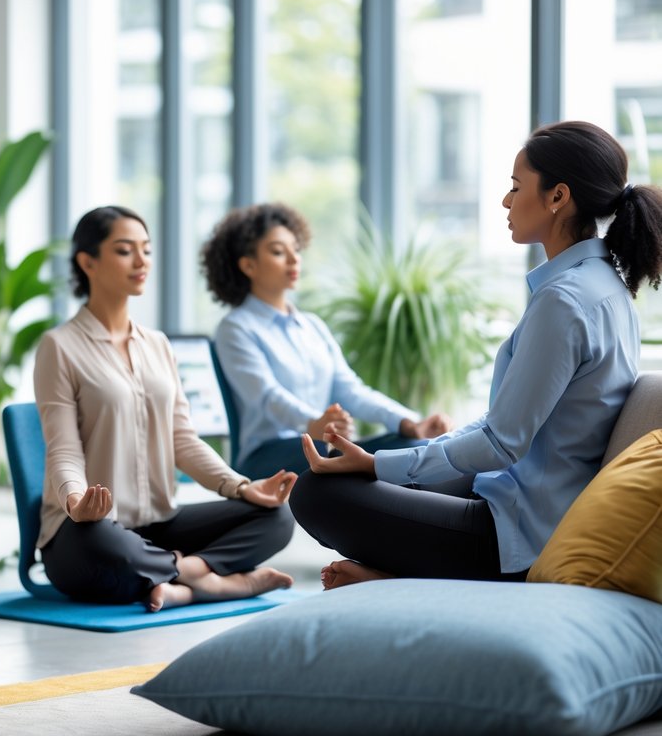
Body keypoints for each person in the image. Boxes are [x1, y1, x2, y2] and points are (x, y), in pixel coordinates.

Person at [290, 120, 662, 589]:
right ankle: (398, 575)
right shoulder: (607, 287)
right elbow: (501, 426)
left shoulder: (565, 300)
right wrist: (388, 460)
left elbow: (500, 443)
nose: (506, 201)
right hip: (517, 496)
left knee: (318, 493)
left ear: (557, 196)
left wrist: (378, 464)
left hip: (519, 536)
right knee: (366, 476)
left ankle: (400, 579)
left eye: (516, 186)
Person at [33, 205, 298, 612]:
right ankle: (219, 582)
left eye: (147, 250)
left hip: (159, 525)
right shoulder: (60, 346)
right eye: (125, 250)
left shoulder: (158, 345)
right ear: (88, 262)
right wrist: (76, 501)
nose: (142, 262)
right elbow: (63, 449)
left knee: (275, 517)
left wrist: (241, 487)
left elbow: (183, 441)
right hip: (91, 531)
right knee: (101, 541)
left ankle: (185, 580)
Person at [201, 202, 453, 480]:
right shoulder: (235, 328)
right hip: (267, 456)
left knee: (413, 446)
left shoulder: (313, 326)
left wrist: (409, 421)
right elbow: (267, 397)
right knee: (334, 453)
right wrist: (313, 424)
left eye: (296, 250)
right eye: (278, 252)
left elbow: (351, 391)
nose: (294, 259)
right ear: (248, 265)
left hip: (323, 443)